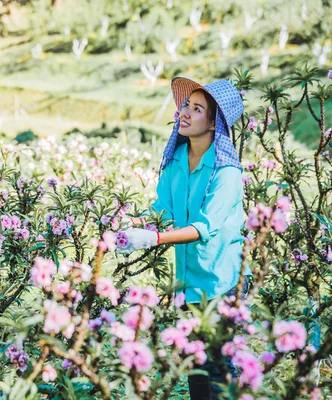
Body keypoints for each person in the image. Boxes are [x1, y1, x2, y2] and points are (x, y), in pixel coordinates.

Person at [117, 77, 250, 400]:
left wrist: (153, 238)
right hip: (188, 279)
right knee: (195, 365)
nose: (185, 114)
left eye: (197, 109)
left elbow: (204, 228)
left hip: (221, 282)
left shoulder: (226, 173)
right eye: (186, 106)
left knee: (219, 367)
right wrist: (127, 222)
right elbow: (161, 208)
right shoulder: (176, 161)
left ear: (214, 122)